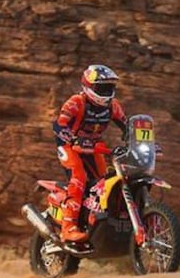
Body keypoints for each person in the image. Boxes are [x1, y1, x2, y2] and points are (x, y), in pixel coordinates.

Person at [52, 64, 128, 242]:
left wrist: (142, 141)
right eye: (102, 88)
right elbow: (59, 124)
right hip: (69, 147)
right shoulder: (76, 102)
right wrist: (71, 138)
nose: (106, 92)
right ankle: (68, 227)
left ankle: (93, 219)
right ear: (89, 86)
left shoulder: (113, 106)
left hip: (93, 147)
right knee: (78, 177)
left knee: (102, 183)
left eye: (109, 87)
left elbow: (127, 126)